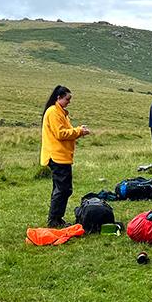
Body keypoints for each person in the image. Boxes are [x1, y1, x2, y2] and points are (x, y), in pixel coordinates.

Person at [40, 85, 90, 228]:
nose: (69, 101)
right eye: (67, 99)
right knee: (63, 189)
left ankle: (56, 218)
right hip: (57, 156)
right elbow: (61, 134)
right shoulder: (53, 112)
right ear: (59, 97)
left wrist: (78, 130)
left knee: (63, 189)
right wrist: (79, 131)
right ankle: (54, 220)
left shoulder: (60, 112)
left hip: (62, 156)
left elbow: (66, 131)